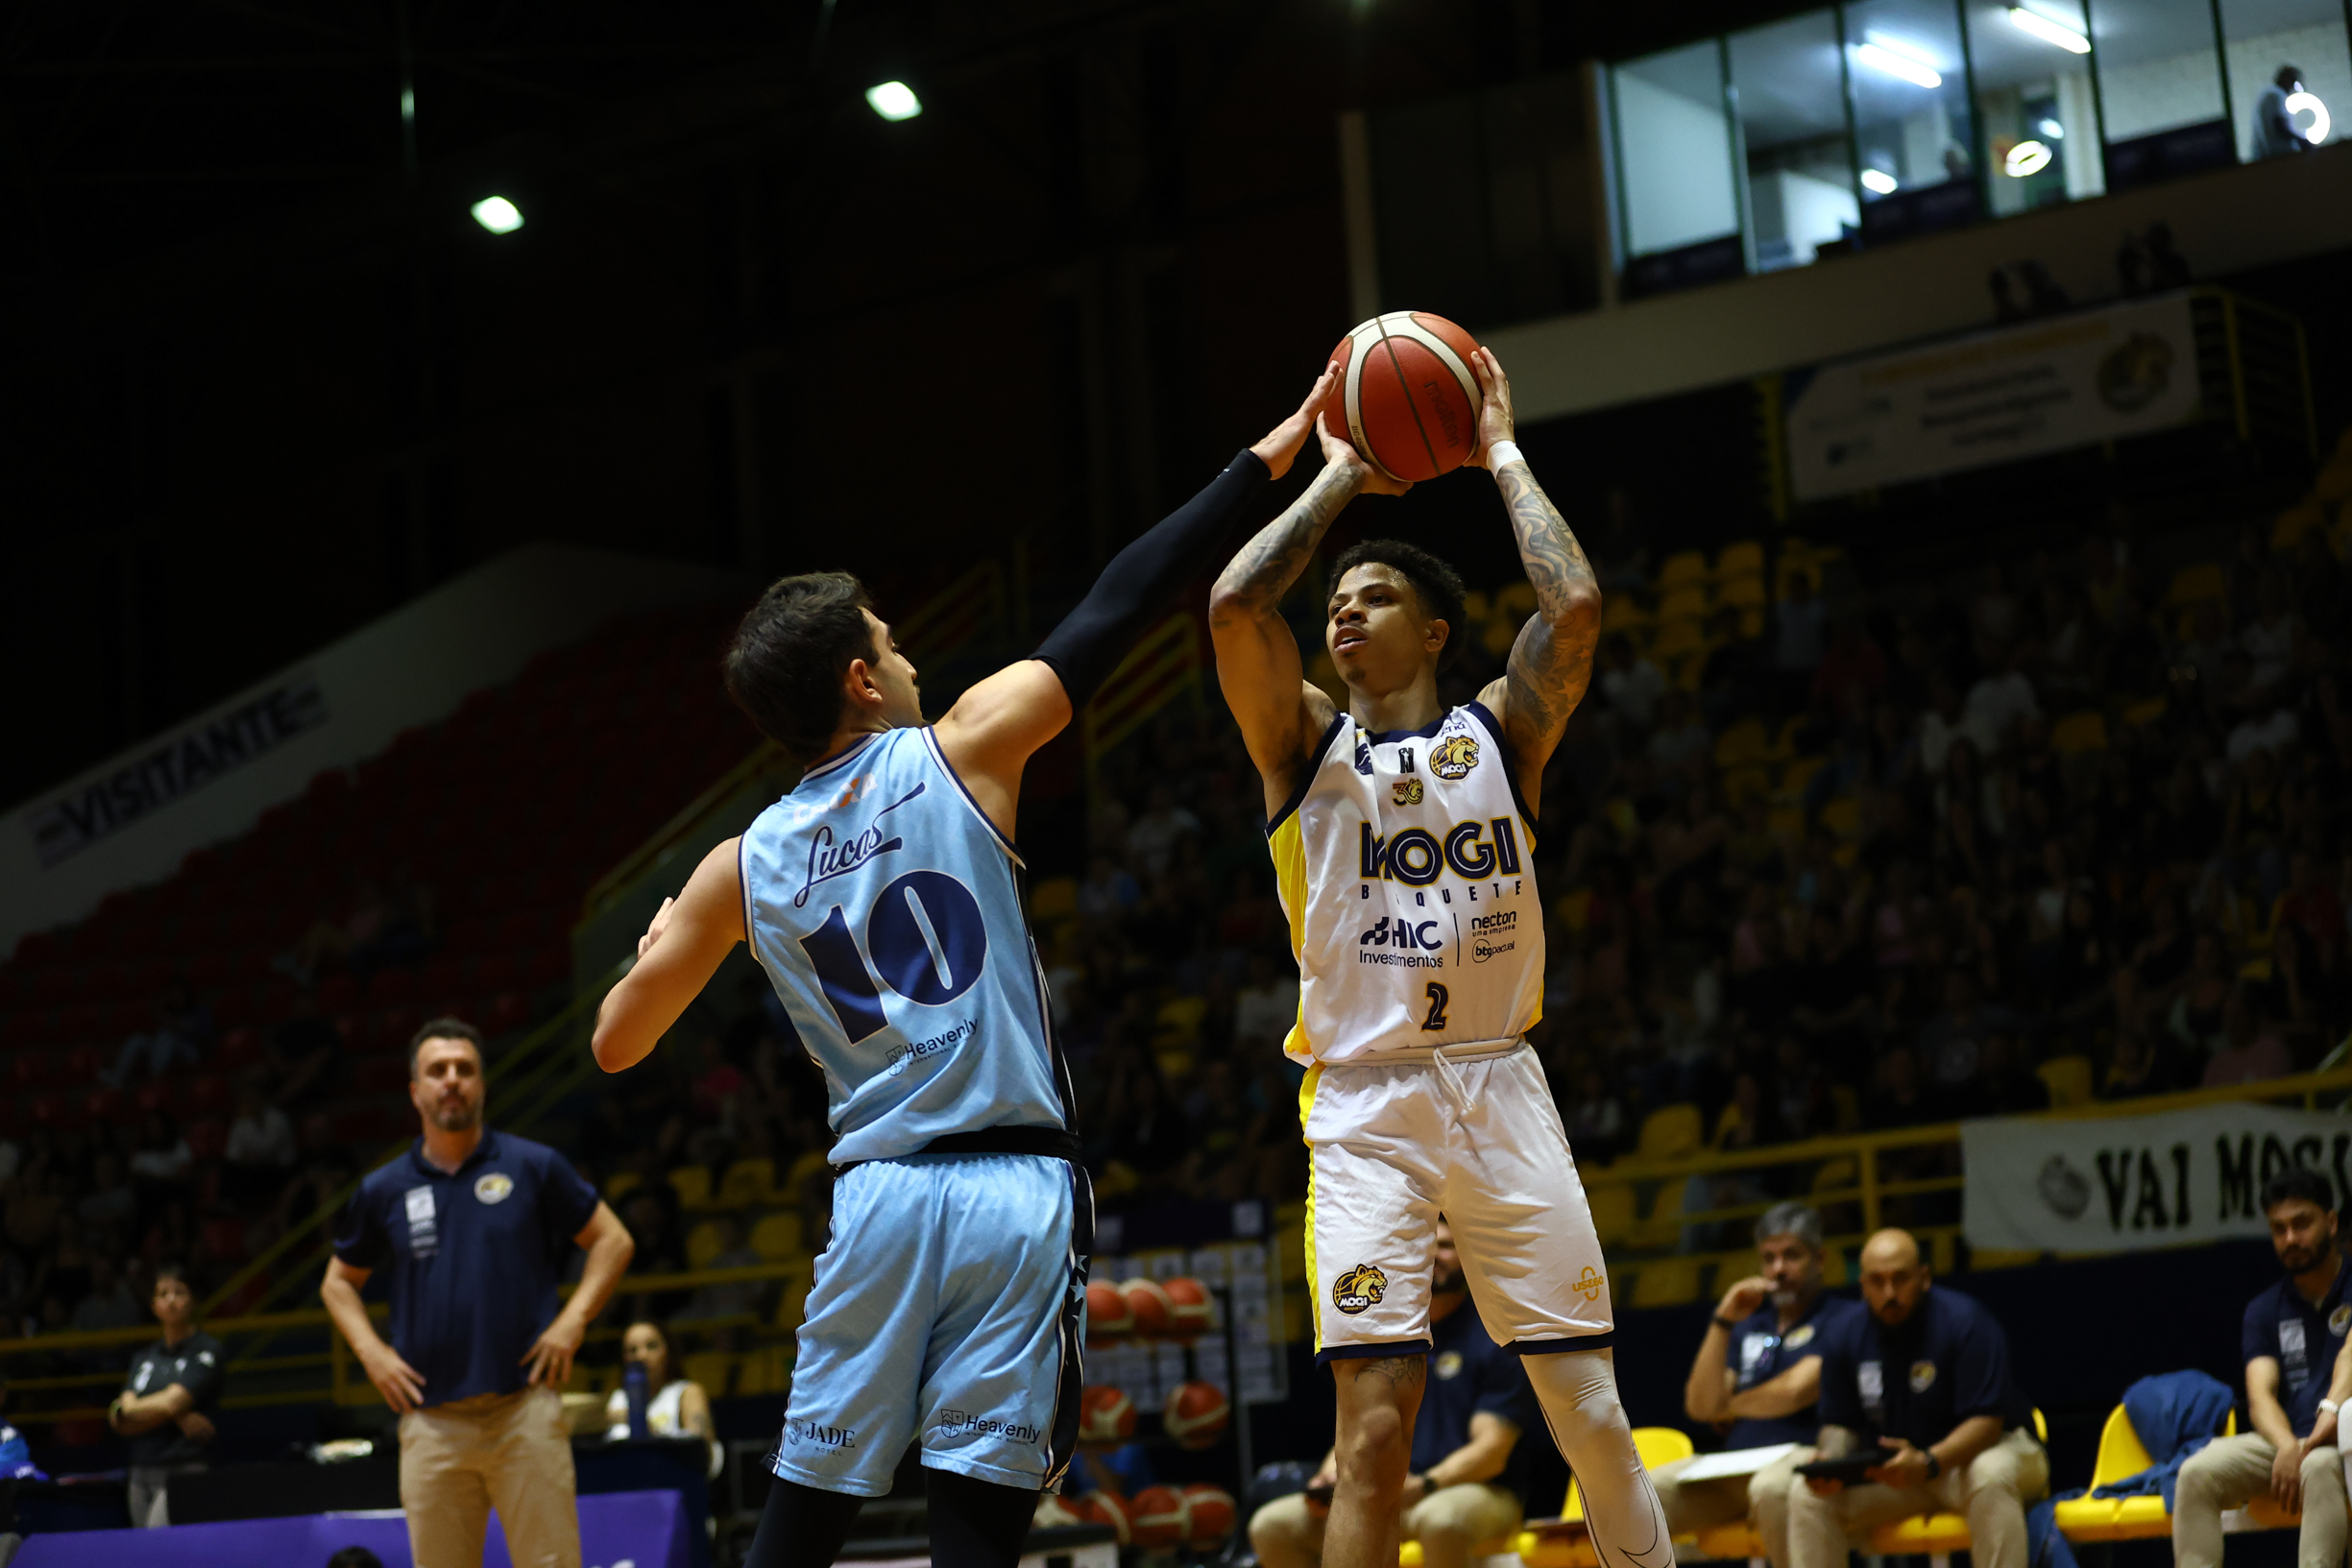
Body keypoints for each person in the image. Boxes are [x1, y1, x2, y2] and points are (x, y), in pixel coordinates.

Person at [590, 366, 1344, 1568]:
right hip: (1012, 1190)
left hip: (878, 1198)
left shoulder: (742, 863)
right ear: (857, 679)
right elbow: (1121, 597)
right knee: (975, 1538)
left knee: (796, 1532)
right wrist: (1264, 459)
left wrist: (650, 951)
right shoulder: (963, 748)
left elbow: (616, 1045)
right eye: (889, 645)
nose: (906, 661)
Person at [1208, 346, 1670, 1568]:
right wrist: (1340, 476)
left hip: (1498, 1079)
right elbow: (1235, 609)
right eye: (1336, 602)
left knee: (1589, 1410)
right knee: (1373, 1432)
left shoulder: (1501, 733)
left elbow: (1574, 610)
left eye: (1371, 597)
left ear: (1434, 632)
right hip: (1364, 1102)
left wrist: (1499, 452)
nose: (1342, 611)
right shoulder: (1301, 744)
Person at [322, 1019, 636, 1568]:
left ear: (481, 1085)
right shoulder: (384, 1188)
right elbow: (337, 1282)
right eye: (437, 1070)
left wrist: (573, 1321)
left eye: (464, 1069)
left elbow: (613, 1240)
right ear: (415, 1091)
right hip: (432, 1424)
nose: (452, 1080)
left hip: (524, 1412)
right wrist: (372, 1354)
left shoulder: (532, 1165)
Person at [1249, 1221, 1536, 1568]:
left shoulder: (1495, 1335)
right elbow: (1361, 1423)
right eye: (1423, 1244)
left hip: (1474, 1490)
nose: (1432, 1254)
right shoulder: (1386, 1333)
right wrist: (1328, 1479)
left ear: (1470, 1256)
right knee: (1273, 1525)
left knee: (1441, 1519)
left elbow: (1492, 1451)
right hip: (1389, 1487)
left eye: (1445, 1246)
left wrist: (1424, 1485)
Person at [1787, 1229, 2046, 1568]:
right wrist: (1832, 1460)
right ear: (1862, 1285)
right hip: (1899, 1473)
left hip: (1980, 1456)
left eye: (1900, 1279)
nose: (1889, 1292)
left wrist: (1928, 1462)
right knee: (1806, 1495)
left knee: (1990, 1473)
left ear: (1924, 1277)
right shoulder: (1844, 1333)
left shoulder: (1966, 1321)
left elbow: (1986, 1423)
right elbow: (1840, 1422)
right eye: (1877, 1281)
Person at [1652, 1204, 1861, 1568]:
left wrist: (1726, 1406)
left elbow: (1794, 1392)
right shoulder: (1751, 1325)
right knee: (1649, 1491)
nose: (1778, 1269)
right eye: (1769, 1259)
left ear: (1820, 1259)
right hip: (1733, 1468)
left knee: (1770, 1488)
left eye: (1791, 1256)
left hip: (1798, 1457)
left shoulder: (1844, 1317)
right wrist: (1723, 1319)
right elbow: (1699, 1407)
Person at [2173, 1168, 2350, 1568]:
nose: (2290, 1239)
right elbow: (2260, 1395)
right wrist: (2287, 1445)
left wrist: (2322, 1426)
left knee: (2319, 1464)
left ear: (2331, 1222)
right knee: (2196, 1472)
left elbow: (2350, 1360)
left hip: (2345, 1439)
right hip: (2290, 1440)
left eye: (2301, 1224)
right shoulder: (2264, 1309)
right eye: (2278, 1229)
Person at [107, 1263, 223, 1528]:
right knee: (144, 1546)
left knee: (161, 1538)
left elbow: (172, 1402)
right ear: (153, 1306)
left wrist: (132, 1408)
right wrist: (179, 1416)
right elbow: (118, 1420)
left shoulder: (206, 1350)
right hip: (140, 1468)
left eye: (179, 1292)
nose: (171, 1300)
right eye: (163, 1294)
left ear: (193, 1300)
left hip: (183, 1468)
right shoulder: (143, 1357)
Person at [603, 1319, 721, 1478]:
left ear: (667, 1351)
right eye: (632, 1350)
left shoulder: (686, 1392)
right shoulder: (618, 1398)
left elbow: (700, 1452)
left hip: (674, 1482)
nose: (641, 1356)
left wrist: (647, 1428)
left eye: (651, 1346)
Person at [2254, 65, 2313, 158]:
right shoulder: (2276, 95)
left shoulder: (2269, 94)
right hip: (2278, 155)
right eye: (2293, 82)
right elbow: (2280, 127)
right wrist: (2302, 141)